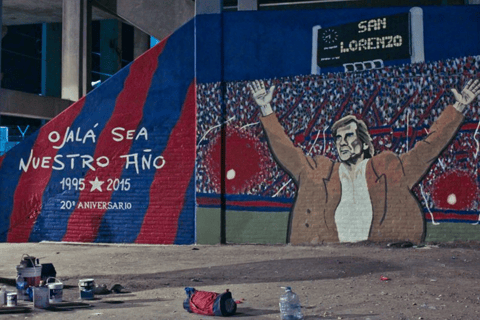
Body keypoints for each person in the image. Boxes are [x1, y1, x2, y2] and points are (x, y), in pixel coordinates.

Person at [249, 79, 480, 245]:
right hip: (332, 259)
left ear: (364, 142)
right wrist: (265, 108)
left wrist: (459, 107)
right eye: (338, 138)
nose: (342, 142)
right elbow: (287, 152)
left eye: (348, 135)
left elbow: (427, 149)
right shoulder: (320, 171)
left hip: (380, 259)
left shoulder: (388, 168)